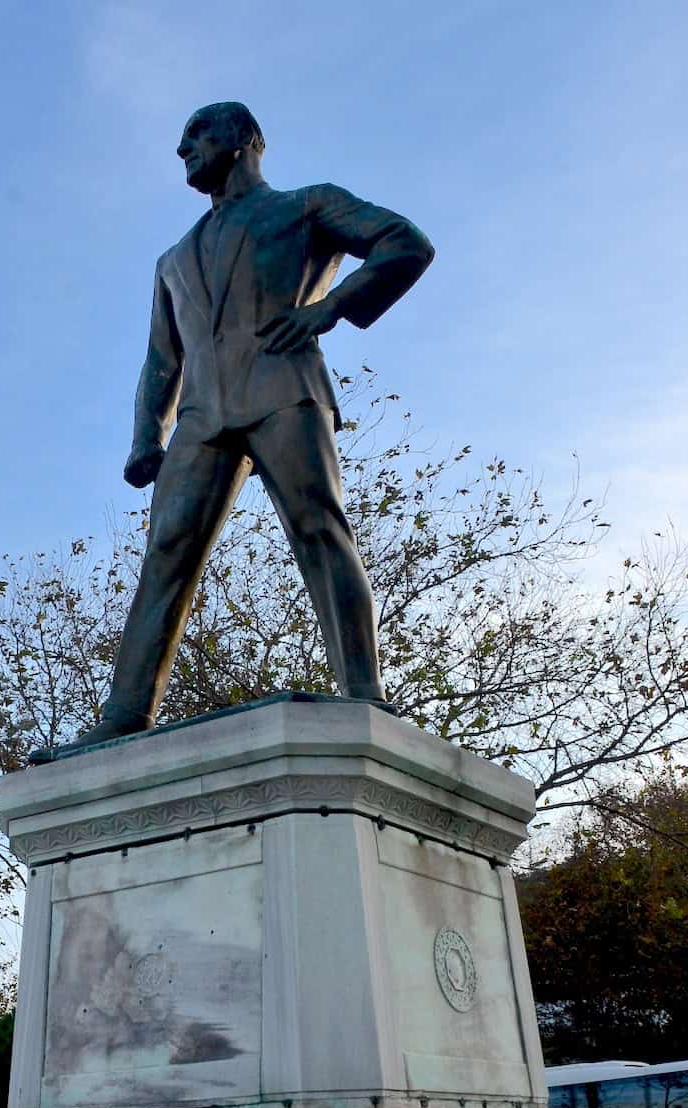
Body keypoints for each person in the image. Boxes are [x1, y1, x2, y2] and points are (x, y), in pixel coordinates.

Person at [34, 101, 434, 760]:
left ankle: (364, 692)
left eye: (197, 133)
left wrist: (330, 308)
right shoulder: (172, 259)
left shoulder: (306, 206)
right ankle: (125, 715)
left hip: (283, 387)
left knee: (318, 526)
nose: (183, 149)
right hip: (203, 414)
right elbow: (162, 359)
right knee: (166, 550)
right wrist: (145, 435)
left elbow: (405, 243)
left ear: (246, 139)